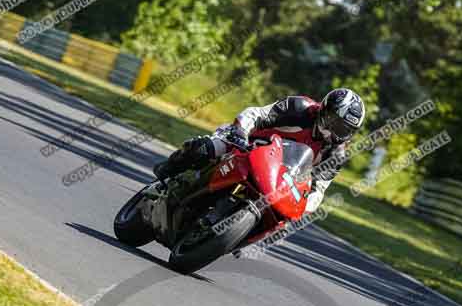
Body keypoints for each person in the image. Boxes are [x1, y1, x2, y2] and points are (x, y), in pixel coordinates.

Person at [153, 88, 366, 213]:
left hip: (276, 178)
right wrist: (240, 132)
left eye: (345, 129)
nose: (337, 132)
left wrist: (304, 207)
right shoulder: (300, 108)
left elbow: (318, 189)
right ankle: (168, 171)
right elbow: (256, 114)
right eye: (335, 122)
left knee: (281, 220)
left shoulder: (336, 154)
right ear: (325, 110)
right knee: (208, 148)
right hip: (245, 143)